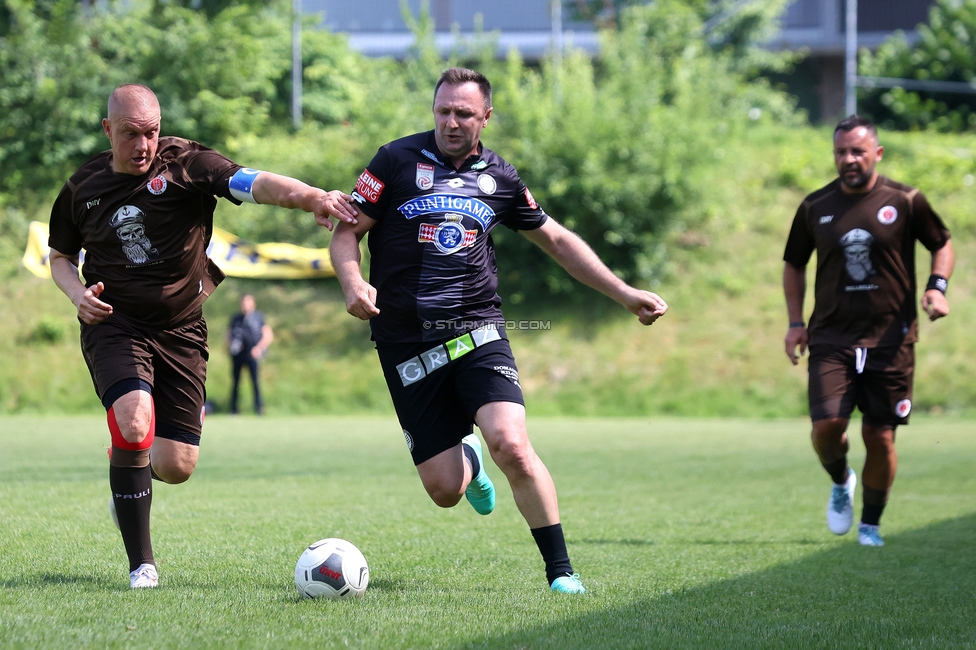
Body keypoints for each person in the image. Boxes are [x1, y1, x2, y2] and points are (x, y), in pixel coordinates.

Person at [329, 67, 668, 594]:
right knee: (444, 490)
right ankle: (469, 454)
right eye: (443, 110)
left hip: (477, 332)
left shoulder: (501, 179)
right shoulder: (393, 161)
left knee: (511, 442)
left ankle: (561, 573)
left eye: (464, 113)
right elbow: (346, 231)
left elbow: (556, 240)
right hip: (404, 341)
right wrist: (352, 283)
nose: (451, 122)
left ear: (486, 118)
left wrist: (625, 294)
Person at [48, 84, 358, 588]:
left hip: (182, 328)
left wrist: (312, 198)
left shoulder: (187, 164)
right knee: (133, 421)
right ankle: (142, 565)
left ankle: (129, 473)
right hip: (115, 324)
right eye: (130, 134)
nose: (143, 145)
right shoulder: (82, 189)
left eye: (150, 132)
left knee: (176, 465)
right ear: (108, 131)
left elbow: (256, 183)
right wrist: (76, 296)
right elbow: (60, 257)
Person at [783, 115, 954, 547]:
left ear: (877, 153)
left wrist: (937, 289)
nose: (848, 159)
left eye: (857, 151)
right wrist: (794, 323)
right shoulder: (815, 207)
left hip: (890, 340)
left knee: (879, 436)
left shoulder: (906, 200)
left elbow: (941, 243)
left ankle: (871, 526)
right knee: (827, 428)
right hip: (832, 337)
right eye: (841, 151)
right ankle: (842, 480)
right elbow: (793, 264)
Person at [228, 294, 274, 415]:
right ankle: (233, 410)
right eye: (243, 303)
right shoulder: (236, 319)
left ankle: (259, 409)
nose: (245, 306)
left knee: (255, 382)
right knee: (236, 382)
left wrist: (259, 348)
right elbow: (229, 335)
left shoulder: (259, 318)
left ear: (253, 304)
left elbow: (268, 335)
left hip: (252, 354)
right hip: (238, 355)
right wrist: (232, 345)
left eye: (248, 303)